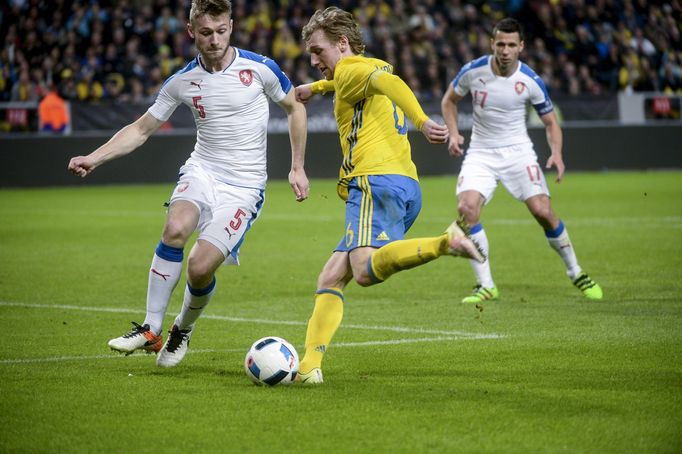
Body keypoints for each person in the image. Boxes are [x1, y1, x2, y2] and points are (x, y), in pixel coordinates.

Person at [67, 0, 309, 368]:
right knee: (175, 227)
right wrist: (94, 157)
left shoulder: (260, 68)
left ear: (232, 26)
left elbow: (296, 108)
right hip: (202, 170)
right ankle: (150, 328)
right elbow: (141, 129)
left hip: (244, 188)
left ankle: (183, 328)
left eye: (222, 31)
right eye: (206, 32)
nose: (214, 40)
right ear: (191, 30)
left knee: (199, 267)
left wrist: (297, 167)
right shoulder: (181, 81)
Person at [294, 7, 485, 384]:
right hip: (404, 185)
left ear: (342, 43)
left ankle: (446, 242)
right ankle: (309, 367)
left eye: (318, 52)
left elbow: (390, 87)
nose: (314, 61)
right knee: (332, 275)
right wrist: (314, 89)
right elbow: (371, 80)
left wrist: (421, 120)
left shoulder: (351, 70)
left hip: (373, 181)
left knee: (364, 271)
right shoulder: (365, 67)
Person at [440, 18, 602, 304]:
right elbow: (449, 101)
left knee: (542, 211)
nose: (505, 50)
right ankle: (486, 285)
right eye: (500, 44)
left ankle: (576, 271)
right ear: (492, 44)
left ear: (521, 47)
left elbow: (551, 122)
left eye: (511, 45)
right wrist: (453, 134)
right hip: (481, 152)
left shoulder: (530, 81)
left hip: (519, 152)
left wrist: (557, 154)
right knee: (467, 209)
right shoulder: (473, 70)